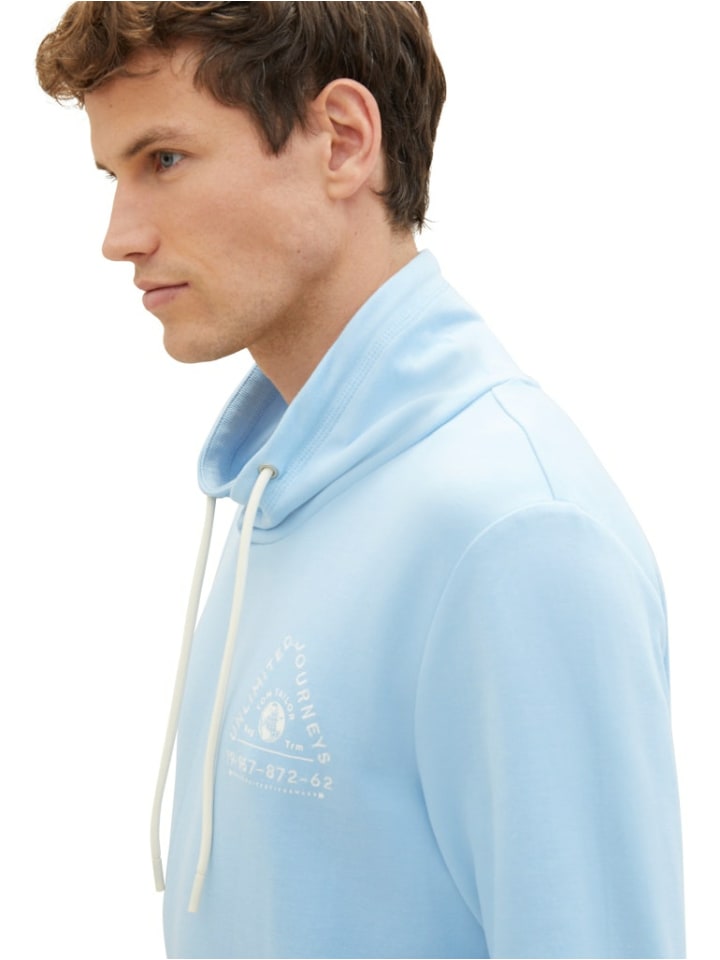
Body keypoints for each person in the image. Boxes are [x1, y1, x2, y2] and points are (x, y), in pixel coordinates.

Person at [36, 3, 685, 957]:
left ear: (342, 141)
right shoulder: (281, 484)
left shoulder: (515, 532)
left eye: (163, 159)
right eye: (113, 175)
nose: (119, 236)